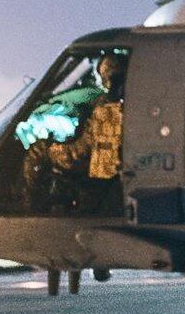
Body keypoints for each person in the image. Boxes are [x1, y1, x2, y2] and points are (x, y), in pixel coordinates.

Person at [18, 51, 126, 210]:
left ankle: (28, 208)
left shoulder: (108, 107)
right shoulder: (122, 101)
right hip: (106, 171)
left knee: (38, 151)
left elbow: (84, 151)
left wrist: (53, 144)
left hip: (96, 173)